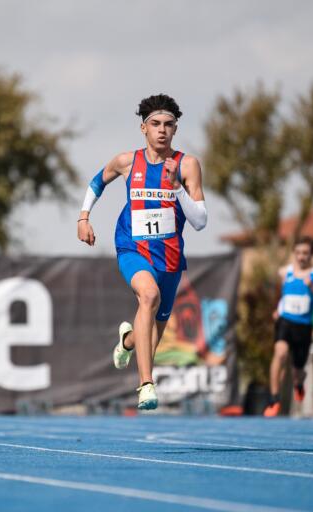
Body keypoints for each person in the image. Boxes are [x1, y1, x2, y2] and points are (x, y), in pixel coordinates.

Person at [77, 94, 208, 410]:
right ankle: (146, 385)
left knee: (149, 332)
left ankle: (127, 341)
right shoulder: (126, 162)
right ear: (143, 128)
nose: (162, 130)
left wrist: (176, 187)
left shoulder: (187, 165)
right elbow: (97, 182)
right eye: (155, 124)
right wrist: (84, 217)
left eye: (168, 125)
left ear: (175, 129)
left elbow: (201, 222)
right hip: (131, 247)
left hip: (170, 257)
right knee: (148, 296)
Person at [264, 236, 313, 417]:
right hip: (285, 322)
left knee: (298, 370)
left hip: (304, 327)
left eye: (306, 253)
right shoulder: (285, 272)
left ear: (311, 255)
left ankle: (298, 384)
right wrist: (277, 309)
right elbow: (281, 294)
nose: (302, 257)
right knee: (280, 353)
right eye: (299, 253)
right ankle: (274, 398)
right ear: (294, 253)